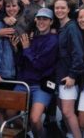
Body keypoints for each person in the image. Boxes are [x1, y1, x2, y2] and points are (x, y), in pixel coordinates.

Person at [11, 8, 58, 138]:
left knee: (36, 119)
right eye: (39, 19)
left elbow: (40, 65)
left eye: (45, 19)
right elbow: (21, 63)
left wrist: (26, 49)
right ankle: (30, 133)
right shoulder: (31, 37)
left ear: (51, 22)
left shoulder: (53, 40)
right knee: (10, 114)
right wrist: (17, 50)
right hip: (23, 83)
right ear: (36, 20)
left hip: (40, 85)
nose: (41, 22)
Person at [0, 0, 26, 125]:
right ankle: (2, 133)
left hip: (19, 73)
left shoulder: (25, 23)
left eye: (14, 5)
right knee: (1, 107)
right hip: (3, 72)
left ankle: (25, 130)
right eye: (8, 6)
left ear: (19, 7)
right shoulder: (0, 24)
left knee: (13, 110)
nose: (11, 8)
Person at [51, 0, 84, 138]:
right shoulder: (60, 27)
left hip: (68, 76)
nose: (59, 10)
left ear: (68, 9)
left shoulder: (72, 27)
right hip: (58, 75)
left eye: (62, 8)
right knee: (61, 108)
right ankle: (71, 134)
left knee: (67, 112)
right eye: (56, 8)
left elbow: (79, 54)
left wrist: (72, 75)